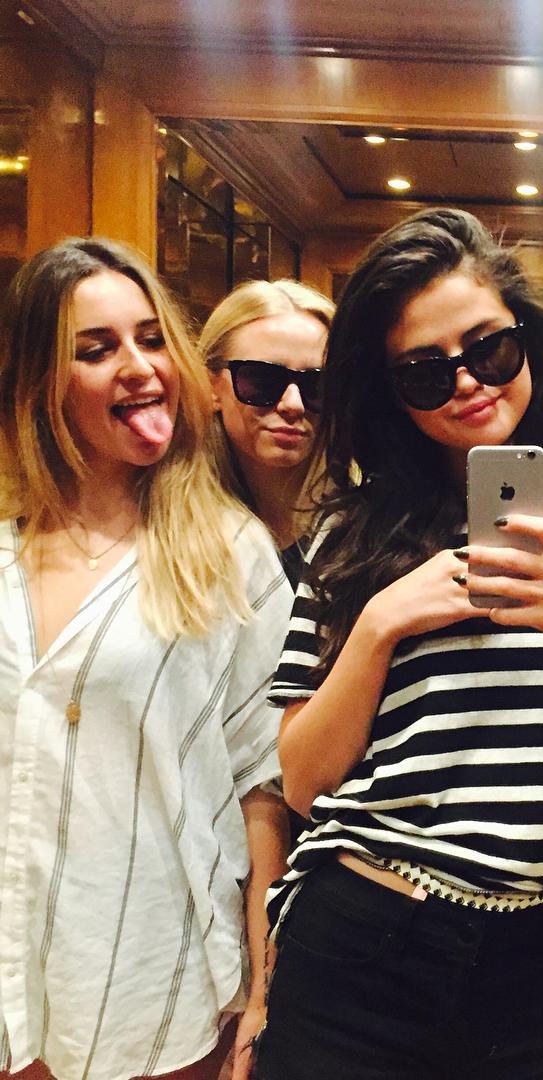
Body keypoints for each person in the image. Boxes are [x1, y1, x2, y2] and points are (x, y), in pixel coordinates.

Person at [252, 208, 543, 1080]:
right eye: (424, 373)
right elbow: (304, 782)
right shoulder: (352, 536)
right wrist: (380, 624)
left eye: (489, 350)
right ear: (391, 395)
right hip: (361, 941)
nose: (466, 383)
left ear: (526, 340)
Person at [0, 239, 292, 1080]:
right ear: (39, 381)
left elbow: (262, 787)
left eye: (152, 339)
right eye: (97, 350)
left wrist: (263, 991)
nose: (139, 367)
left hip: (150, 983)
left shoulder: (227, 551)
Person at [199, 279, 334, 587]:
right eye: (262, 380)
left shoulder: (363, 528)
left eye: (318, 385)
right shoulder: (167, 522)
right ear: (211, 386)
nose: (293, 404)